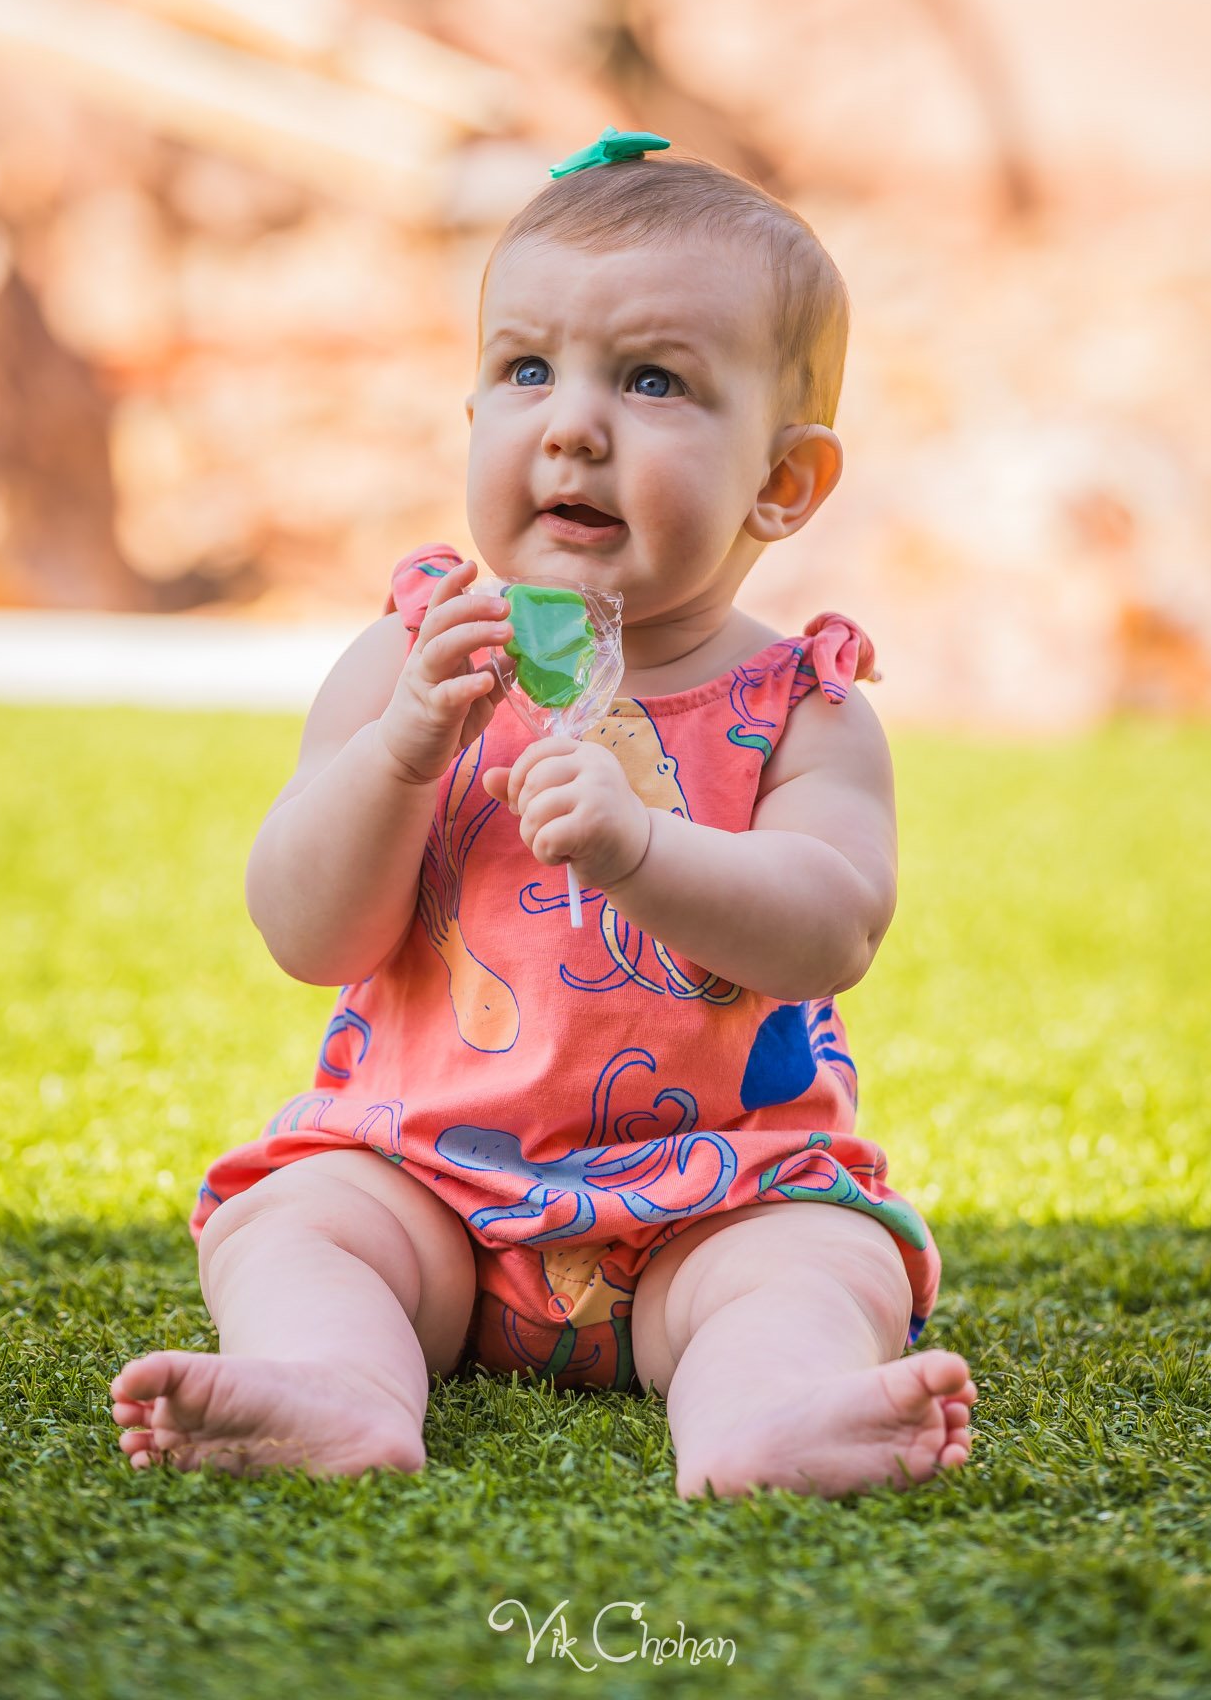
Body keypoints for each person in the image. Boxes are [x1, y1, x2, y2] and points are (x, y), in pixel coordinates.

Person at [109, 132, 976, 1496]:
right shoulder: (411, 661)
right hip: (425, 1181)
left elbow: (829, 927)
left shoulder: (802, 703)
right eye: (526, 369)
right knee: (295, 1221)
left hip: (719, 1192)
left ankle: (767, 1415)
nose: (570, 424)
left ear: (781, 481)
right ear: (475, 421)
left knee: (819, 1262)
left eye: (651, 381)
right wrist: (401, 757)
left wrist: (643, 846)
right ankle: (338, 1389)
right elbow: (305, 931)